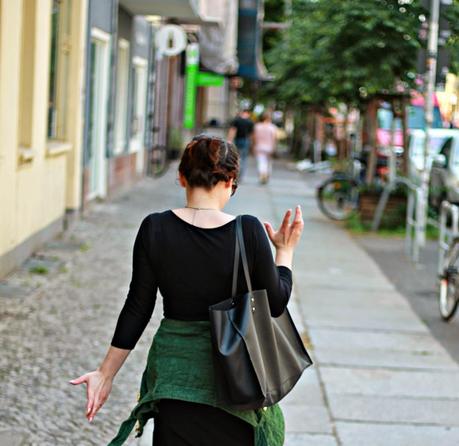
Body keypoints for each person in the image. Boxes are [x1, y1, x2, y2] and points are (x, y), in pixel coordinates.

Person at [70, 134, 304, 446]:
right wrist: (284, 252)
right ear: (230, 180)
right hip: (236, 382)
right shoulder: (247, 230)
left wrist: (105, 373)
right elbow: (276, 303)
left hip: (174, 379)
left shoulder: (155, 228)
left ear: (181, 177)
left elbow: (138, 307)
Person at [227, 109, 254, 179]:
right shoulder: (250, 122)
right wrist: (252, 144)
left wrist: (229, 140)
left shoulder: (237, 120)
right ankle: (241, 175)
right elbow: (251, 134)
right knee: (244, 159)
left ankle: (236, 173)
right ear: (248, 114)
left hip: (237, 140)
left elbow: (232, 130)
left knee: (237, 157)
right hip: (246, 141)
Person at [253, 113, 278, 184]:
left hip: (259, 146)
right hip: (269, 147)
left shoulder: (257, 126)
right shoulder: (272, 127)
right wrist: (274, 147)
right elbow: (274, 138)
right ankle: (267, 174)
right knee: (269, 162)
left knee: (261, 161)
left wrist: (253, 146)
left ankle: (262, 173)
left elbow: (254, 137)